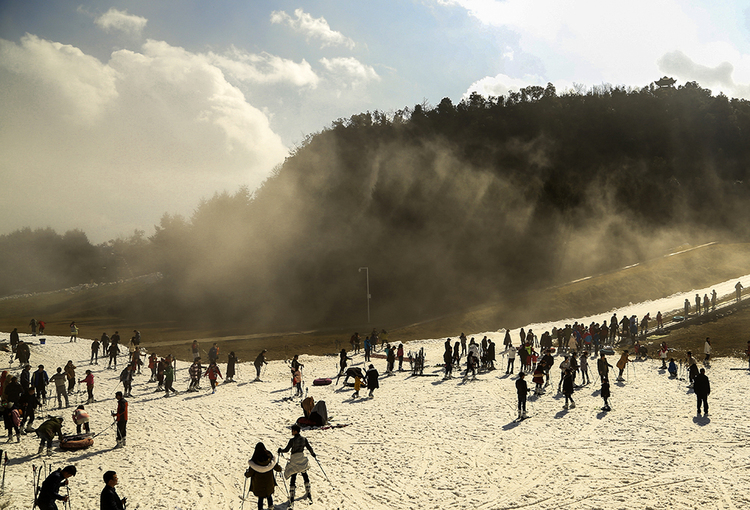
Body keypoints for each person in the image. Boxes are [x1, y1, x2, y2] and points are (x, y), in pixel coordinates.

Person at [279, 424, 316, 507]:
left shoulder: (292, 441)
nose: (291, 432)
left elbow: (286, 450)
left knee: (293, 476)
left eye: (292, 430)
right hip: (301, 458)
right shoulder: (304, 439)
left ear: (295, 431)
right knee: (304, 474)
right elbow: (309, 448)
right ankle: (308, 491)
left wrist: (280, 450)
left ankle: (292, 496)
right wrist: (313, 454)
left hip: (295, 459)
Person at [244, 442, 283, 510]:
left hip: (259, 485)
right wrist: (279, 469)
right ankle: (271, 507)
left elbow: (249, 473)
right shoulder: (269, 458)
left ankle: (260, 509)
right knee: (269, 496)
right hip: (269, 483)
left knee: (260, 498)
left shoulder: (255, 461)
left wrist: (246, 474)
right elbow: (276, 467)